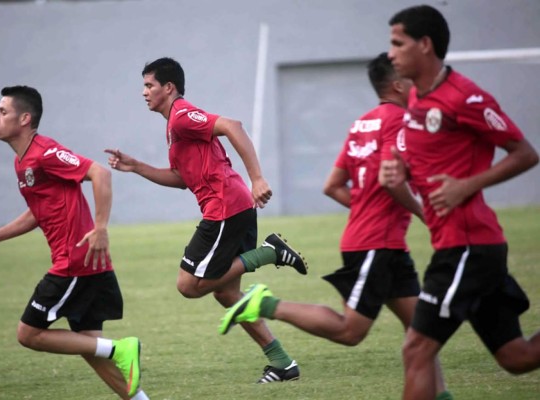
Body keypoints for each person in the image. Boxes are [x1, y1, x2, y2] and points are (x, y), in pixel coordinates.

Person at [218, 53, 452, 399]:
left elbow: (332, 186)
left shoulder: (362, 124)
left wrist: (369, 210)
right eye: (413, 80)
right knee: (350, 331)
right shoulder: (400, 121)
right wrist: (424, 213)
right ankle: (263, 303)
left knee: (422, 333)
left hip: (379, 241)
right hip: (377, 243)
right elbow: (392, 180)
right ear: (399, 84)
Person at [104, 57, 308, 383]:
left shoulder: (183, 115)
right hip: (232, 206)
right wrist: (137, 166)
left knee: (188, 285)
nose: (143, 92)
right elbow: (181, 177)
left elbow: (233, 126)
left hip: (225, 207)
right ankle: (283, 363)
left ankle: (270, 252)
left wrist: (257, 178)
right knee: (227, 294)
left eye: (149, 85)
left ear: (168, 88)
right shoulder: (173, 126)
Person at [378, 5, 540, 399]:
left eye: (398, 44)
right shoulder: (415, 96)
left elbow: (524, 153)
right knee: (515, 357)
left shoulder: (465, 97)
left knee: (416, 348)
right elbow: (431, 156)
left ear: (425, 44)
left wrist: (466, 186)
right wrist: (399, 171)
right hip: (463, 244)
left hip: (468, 246)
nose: (391, 54)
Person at [0, 86, 148, 400]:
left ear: (24, 119)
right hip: (83, 262)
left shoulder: (44, 152)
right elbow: (40, 211)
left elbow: (99, 173)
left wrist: (100, 228)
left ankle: (120, 348)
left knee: (28, 333)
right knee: (89, 347)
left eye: (3, 112)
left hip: (75, 262)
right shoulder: (22, 163)